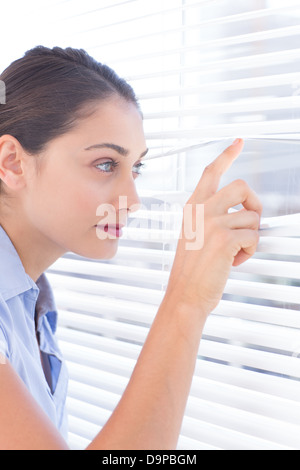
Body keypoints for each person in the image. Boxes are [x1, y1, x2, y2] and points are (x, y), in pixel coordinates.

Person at [0, 46, 262, 450]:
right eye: (106, 164)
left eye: (136, 168)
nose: (132, 199)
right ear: (13, 163)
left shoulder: (31, 307)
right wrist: (187, 301)